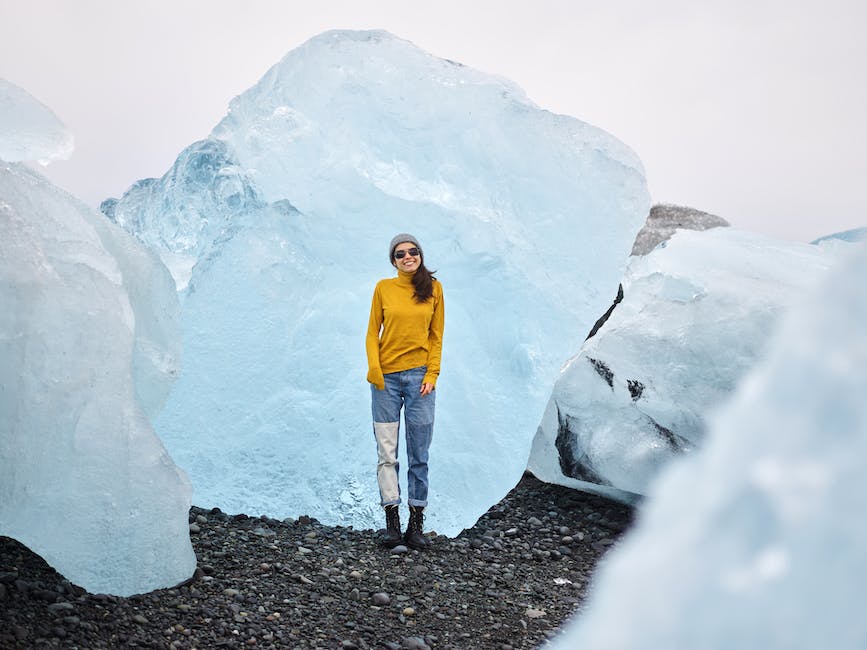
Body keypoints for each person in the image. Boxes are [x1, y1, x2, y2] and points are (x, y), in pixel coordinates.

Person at [365, 233, 444, 549]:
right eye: (400, 253)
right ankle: (392, 524)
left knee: (419, 452)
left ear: (420, 254)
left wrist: (433, 373)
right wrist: (375, 369)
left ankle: (416, 525)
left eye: (413, 251)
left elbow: (436, 337)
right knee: (387, 453)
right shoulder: (384, 288)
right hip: (386, 380)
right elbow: (373, 332)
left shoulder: (433, 289)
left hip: (419, 380)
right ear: (393, 260)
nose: (408, 256)